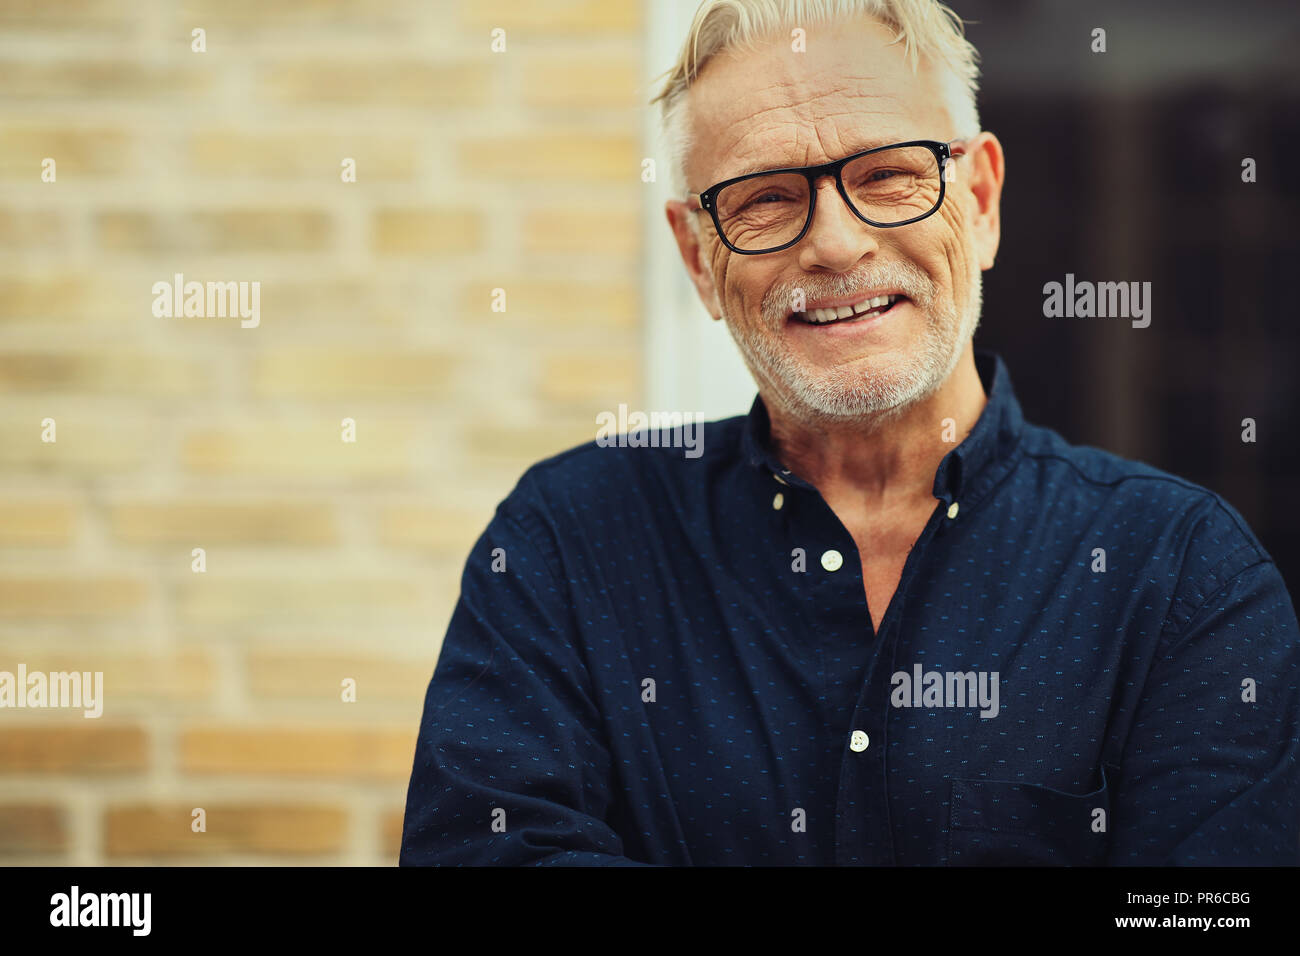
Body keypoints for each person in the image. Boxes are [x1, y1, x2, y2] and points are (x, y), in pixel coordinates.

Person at [400, 0, 1299, 865]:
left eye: (887, 175)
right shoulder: (567, 543)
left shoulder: (1182, 572)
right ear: (697, 260)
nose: (835, 244)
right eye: (764, 198)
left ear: (979, 200)